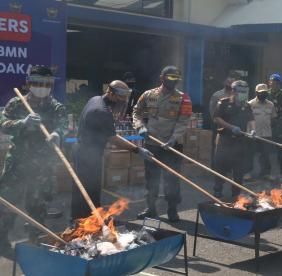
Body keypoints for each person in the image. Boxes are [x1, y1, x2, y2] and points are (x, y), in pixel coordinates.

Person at [0, 66, 67, 254]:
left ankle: (34, 241)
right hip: (18, 163)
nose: (42, 87)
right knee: (8, 203)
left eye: (47, 84)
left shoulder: (55, 106)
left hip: (42, 165)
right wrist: (23, 123)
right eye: (38, 83)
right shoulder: (16, 103)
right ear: (29, 83)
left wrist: (56, 133)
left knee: (38, 205)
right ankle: (2, 240)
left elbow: (63, 124)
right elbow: (3, 124)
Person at [72, 80, 153, 220]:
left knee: (86, 188)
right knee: (88, 189)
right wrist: (137, 149)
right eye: (121, 98)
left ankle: (87, 218)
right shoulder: (102, 111)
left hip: (83, 150)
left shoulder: (95, 99)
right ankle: (86, 220)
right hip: (88, 155)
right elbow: (113, 138)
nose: (123, 102)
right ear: (110, 93)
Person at [133, 66, 192, 222]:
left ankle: (172, 210)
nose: (173, 81)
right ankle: (150, 208)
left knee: (172, 180)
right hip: (152, 143)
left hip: (172, 145)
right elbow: (136, 112)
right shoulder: (148, 95)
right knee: (151, 178)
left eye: (176, 79)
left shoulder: (183, 98)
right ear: (162, 78)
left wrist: (174, 138)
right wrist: (140, 127)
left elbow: (183, 121)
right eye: (170, 78)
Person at [213, 80, 255, 198]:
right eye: (241, 92)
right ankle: (218, 189)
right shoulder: (223, 103)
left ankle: (236, 192)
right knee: (220, 166)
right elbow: (217, 118)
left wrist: (252, 130)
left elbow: (251, 119)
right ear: (233, 92)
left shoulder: (246, 106)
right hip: (224, 140)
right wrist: (231, 127)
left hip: (240, 141)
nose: (244, 94)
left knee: (239, 169)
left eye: (245, 92)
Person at [248, 84, 277, 180]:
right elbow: (248, 119)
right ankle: (247, 173)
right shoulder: (250, 104)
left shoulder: (271, 104)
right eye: (261, 93)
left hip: (266, 133)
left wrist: (269, 126)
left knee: (265, 154)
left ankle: (265, 173)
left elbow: (273, 118)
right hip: (253, 134)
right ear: (256, 93)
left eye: (265, 93)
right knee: (250, 154)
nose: (263, 95)